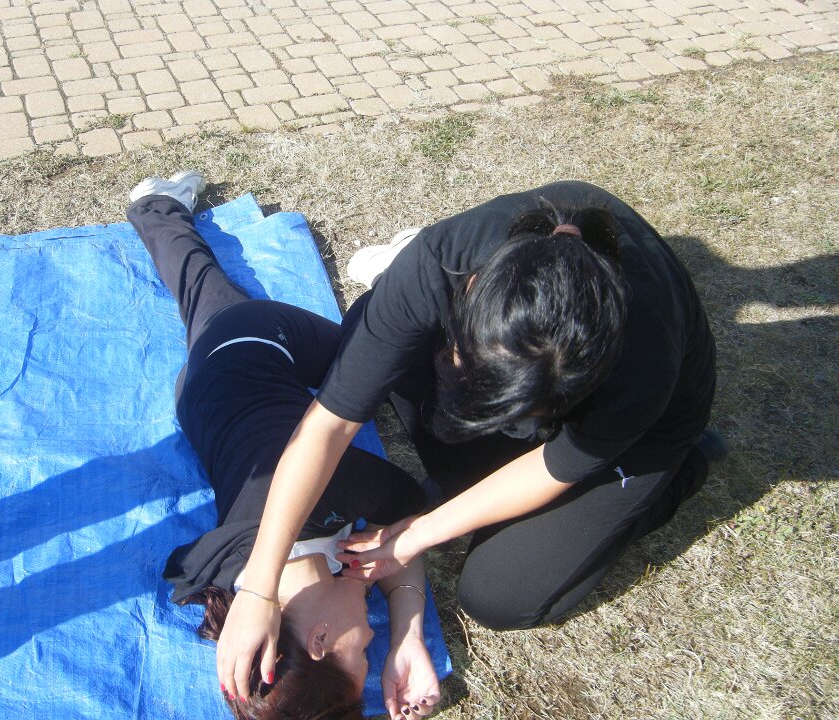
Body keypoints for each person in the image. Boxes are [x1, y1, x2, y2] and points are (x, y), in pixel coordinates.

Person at [216, 180, 724, 700]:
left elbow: (555, 465)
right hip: (498, 337)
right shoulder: (436, 265)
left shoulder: (642, 359)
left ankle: (676, 474)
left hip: (643, 433)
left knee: (501, 594)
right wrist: (258, 585)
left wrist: (417, 535)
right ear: (472, 287)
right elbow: (327, 426)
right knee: (366, 330)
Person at [126, 171, 441, 720]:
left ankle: (396, 274)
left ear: (320, 639)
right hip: (199, 399)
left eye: (363, 653)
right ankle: (153, 205)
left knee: (377, 354)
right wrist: (407, 638)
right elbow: (396, 534)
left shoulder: (326, 497)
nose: (373, 638)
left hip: (253, 342)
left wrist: (401, 614)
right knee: (196, 290)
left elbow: (406, 506)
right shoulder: (233, 580)